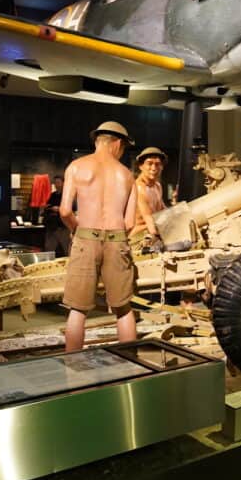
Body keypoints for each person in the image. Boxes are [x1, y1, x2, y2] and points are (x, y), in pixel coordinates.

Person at [59, 121, 139, 352]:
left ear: (98, 141)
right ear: (117, 144)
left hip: (85, 237)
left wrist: (77, 229)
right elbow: (130, 223)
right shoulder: (126, 174)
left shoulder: (76, 167)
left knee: (78, 309)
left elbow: (65, 211)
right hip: (117, 240)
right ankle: (130, 362)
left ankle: (72, 366)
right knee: (123, 309)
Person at [130, 147, 168, 241]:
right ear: (141, 166)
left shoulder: (157, 186)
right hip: (138, 239)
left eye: (157, 164)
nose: (154, 168)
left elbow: (165, 211)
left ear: (162, 167)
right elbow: (150, 224)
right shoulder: (138, 188)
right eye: (149, 163)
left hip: (154, 233)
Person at [43, 175, 71, 256]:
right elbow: (47, 207)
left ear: (63, 183)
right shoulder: (53, 195)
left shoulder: (67, 195)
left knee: (67, 249)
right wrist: (50, 208)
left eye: (58, 182)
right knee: (48, 249)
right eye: (55, 183)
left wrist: (59, 209)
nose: (56, 184)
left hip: (63, 227)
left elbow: (72, 209)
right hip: (52, 226)